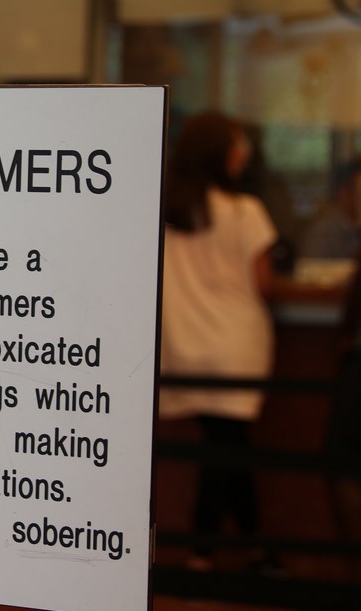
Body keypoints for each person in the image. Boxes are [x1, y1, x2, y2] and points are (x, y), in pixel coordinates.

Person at [159, 110, 280, 571]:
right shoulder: (246, 212)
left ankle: (252, 548)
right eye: (237, 144)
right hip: (236, 345)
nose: (243, 154)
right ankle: (203, 555)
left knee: (226, 446)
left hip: (184, 343)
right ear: (222, 153)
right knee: (226, 448)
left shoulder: (168, 211)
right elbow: (264, 283)